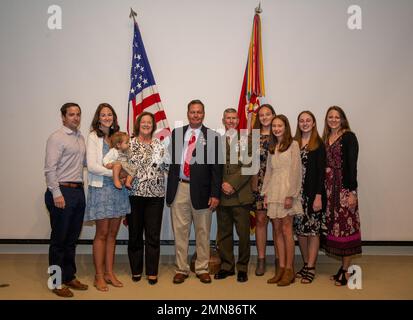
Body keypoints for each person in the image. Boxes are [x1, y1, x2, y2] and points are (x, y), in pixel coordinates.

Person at [166, 99, 223, 284]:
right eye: (192, 112)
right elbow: (171, 162)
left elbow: (217, 169)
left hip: (203, 191)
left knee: (203, 231)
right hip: (180, 188)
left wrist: (215, 194)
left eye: (199, 112)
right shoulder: (177, 134)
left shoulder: (213, 136)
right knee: (180, 232)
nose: (196, 115)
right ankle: (181, 269)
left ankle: (202, 268)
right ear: (187, 113)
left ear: (203, 114)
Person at [84, 103, 131, 292]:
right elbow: (93, 166)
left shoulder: (118, 137)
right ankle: (98, 275)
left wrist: (124, 173)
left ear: (114, 117)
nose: (106, 117)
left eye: (109, 114)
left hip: (119, 191)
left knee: (113, 234)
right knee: (102, 234)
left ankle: (110, 273)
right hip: (101, 189)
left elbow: (127, 160)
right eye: (103, 115)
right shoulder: (93, 136)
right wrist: (114, 174)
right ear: (98, 117)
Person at [44, 102, 88, 298]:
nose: (76, 118)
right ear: (63, 117)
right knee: (59, 241)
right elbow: (49, 169)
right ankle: (55, 282)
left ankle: (69, 276)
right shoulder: (56, 138)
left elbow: (85, 164)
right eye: (71, 114)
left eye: (78, 114)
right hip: (62, 191)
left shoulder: (80, 138)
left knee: (71, 240)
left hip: (78, 191)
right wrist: (56, 194)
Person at [321, 106, 361, 286]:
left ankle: (346, 270)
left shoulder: (349, 137)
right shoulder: (325, 138)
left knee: (346, 228)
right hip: (329, 190)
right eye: (330, 117)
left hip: (344, 189)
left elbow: (352, 165)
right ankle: (342, 268)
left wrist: (352, 192)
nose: (333, 119)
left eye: (337, 117)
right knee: (334, 228)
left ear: (342, 119)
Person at [127, 112, 168, 285]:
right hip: (134, 194)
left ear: (153, 125)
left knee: (152, 235)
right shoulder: (129, 143)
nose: (146, 125)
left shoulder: (159, 145)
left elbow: (167, 166)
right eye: (143, 122)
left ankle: (152, 271)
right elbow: (120, 164)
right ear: (138, 124)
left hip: (155, 196)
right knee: (135, 234)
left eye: (149, 122)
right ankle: (136, 269)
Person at [262, 115, 303, 286]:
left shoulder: (293, 145)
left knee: (287, 230)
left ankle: (289, 270)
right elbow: (269, 172)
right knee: (276, 230)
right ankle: (281, 268)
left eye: (280, 125)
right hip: (273, 191)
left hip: (287, 191)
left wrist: (291, 194)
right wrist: (265, 193)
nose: (277, 128)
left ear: (286, 127)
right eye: (274, 126)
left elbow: (296, 171)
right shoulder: (273, 146)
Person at [214, 108, 253, 283]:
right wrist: (222, 184)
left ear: (238, 120)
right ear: (223, 120)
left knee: (243, 234)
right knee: (223, 233)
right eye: (227, 118)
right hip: (222, 194)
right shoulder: (217, 141)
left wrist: (233, 184)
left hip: (241, 194)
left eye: (234, 118)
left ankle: (242, 267)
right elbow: (214, 167)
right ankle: (227, 266)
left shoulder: (248, 139)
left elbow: (250, 166)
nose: (230, 121)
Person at [293, 111, 327, 284]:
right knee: (300, 231)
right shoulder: (294, 143)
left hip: (313, 195)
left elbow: (322, 174)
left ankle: (312, 267)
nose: (305, 123)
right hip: (296, 196)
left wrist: (319, 196)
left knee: (313, 231)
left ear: (314, 123)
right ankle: (306, 264)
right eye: (301, 121)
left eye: (308, 121)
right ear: (298, 123)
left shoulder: (319, 144)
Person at [250, 104, 276, 276]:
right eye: (261, 115)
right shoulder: (252, 137)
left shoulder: (281, 135)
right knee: (260, 222)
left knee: (278, 223)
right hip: (258, 185)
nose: (265, 117)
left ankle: (280, 259)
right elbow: (247, 165)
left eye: (268, 114)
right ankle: (261, 259)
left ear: (274, 115)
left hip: (276, 185)